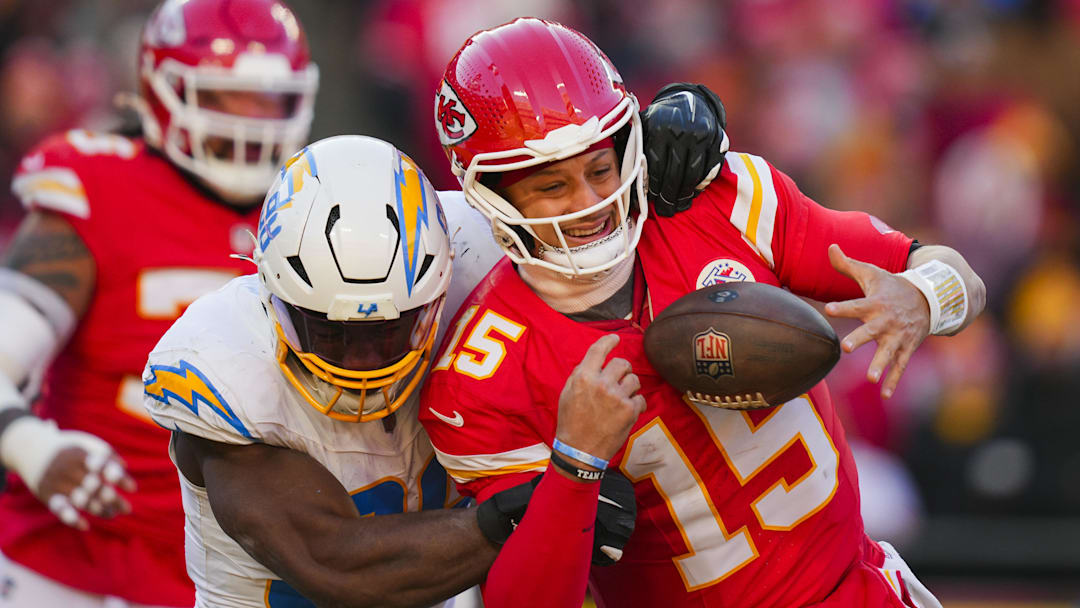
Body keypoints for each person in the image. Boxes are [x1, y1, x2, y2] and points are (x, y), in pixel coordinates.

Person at [419, 17, 986, 608]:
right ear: (494, 193)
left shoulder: (716, 203)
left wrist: (922, 297)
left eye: (600, 170)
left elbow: (959, 278)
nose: (591, 203)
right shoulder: (479, 378)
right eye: (553, 186)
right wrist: (575, 465)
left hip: (857, 590)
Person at [141, 134, 643, 607]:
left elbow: (598, 211)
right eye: (332, 332)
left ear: (439, 286)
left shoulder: (478, 253)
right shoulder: (226, 362)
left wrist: (662, 153)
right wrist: (527, 510)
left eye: (387, 331)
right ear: (275, 294)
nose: (362, 362)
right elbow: (336, 564)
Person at [0, 0, 319, 605]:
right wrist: (32, 447)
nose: (252, 119)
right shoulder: (98, 188)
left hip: (240, 566)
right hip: (73, 564)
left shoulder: (314, 204)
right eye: (228, 97)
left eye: (268, 99)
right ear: (161, 90)